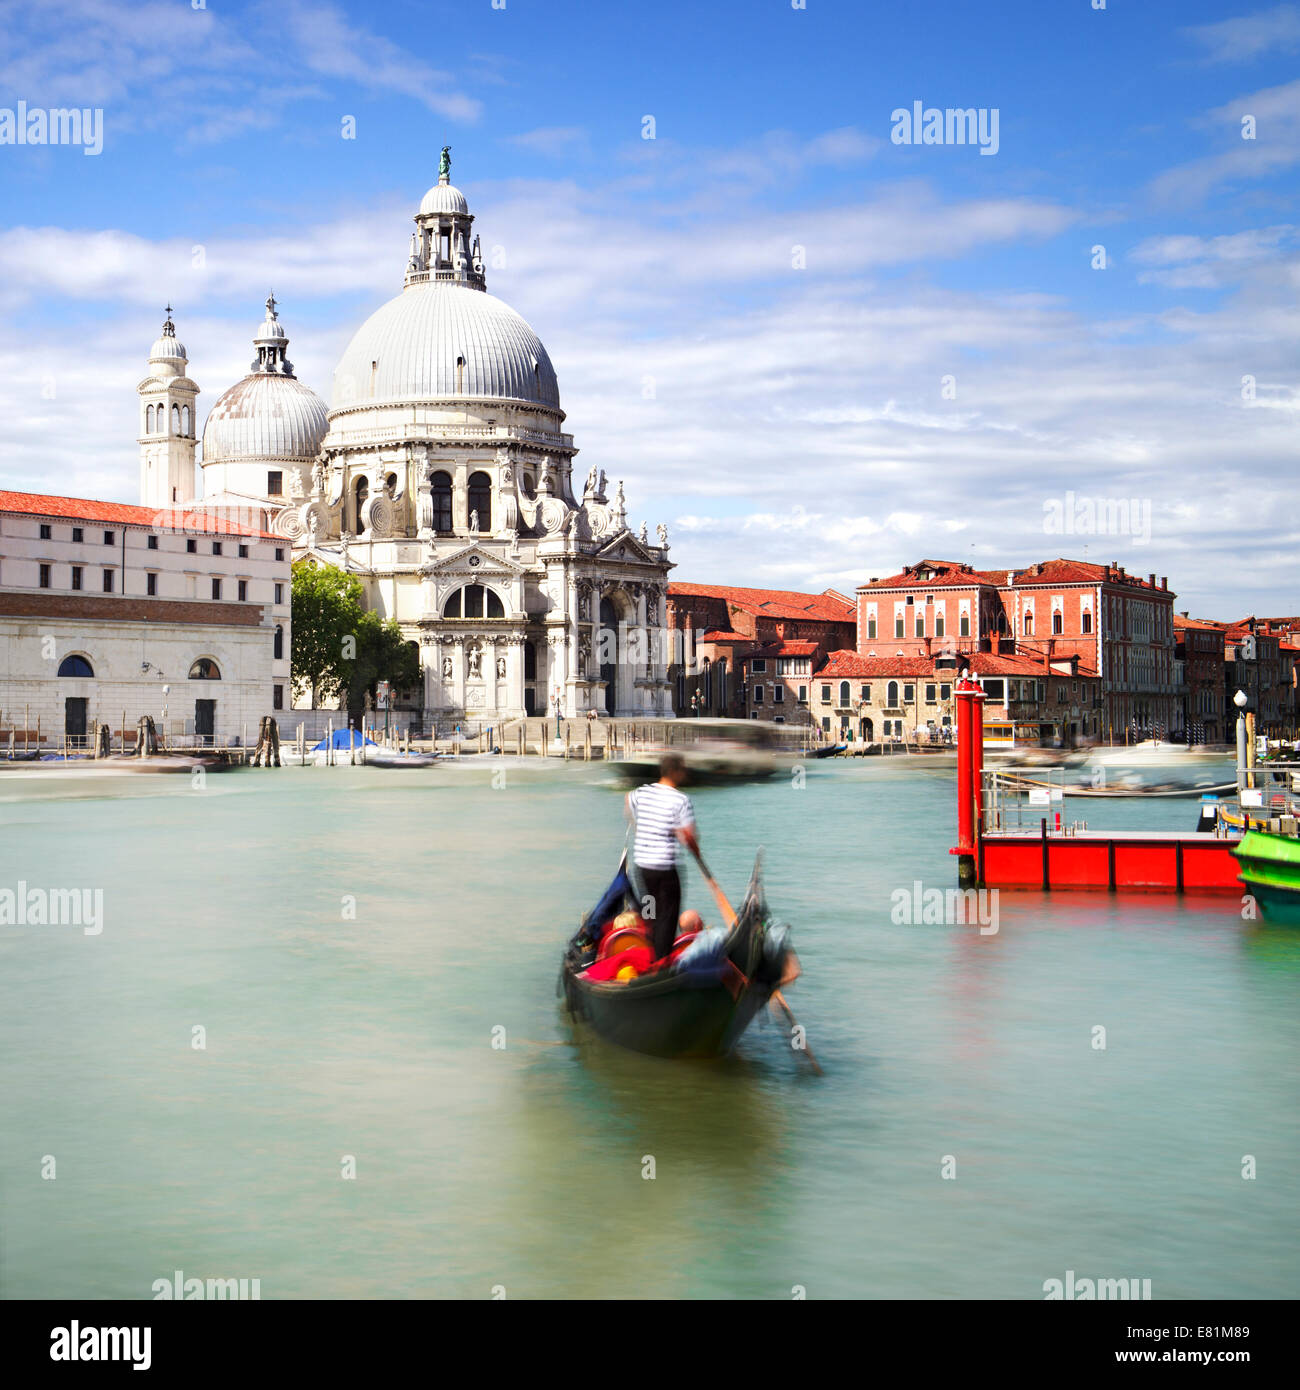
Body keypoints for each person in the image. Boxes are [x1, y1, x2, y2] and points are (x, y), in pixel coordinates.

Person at [625, 753, 699, 960]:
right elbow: (689, 837)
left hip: (642, 868)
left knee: (651, 911)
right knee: (668, 916)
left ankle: (648, 949)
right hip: (665, 869)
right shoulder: (681, 800)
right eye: (682, 769)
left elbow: (627, 799)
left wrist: (640, 826)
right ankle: (660, 963)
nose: (684, 773)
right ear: (675, 772)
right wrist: (693, 847)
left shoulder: (641, 793)